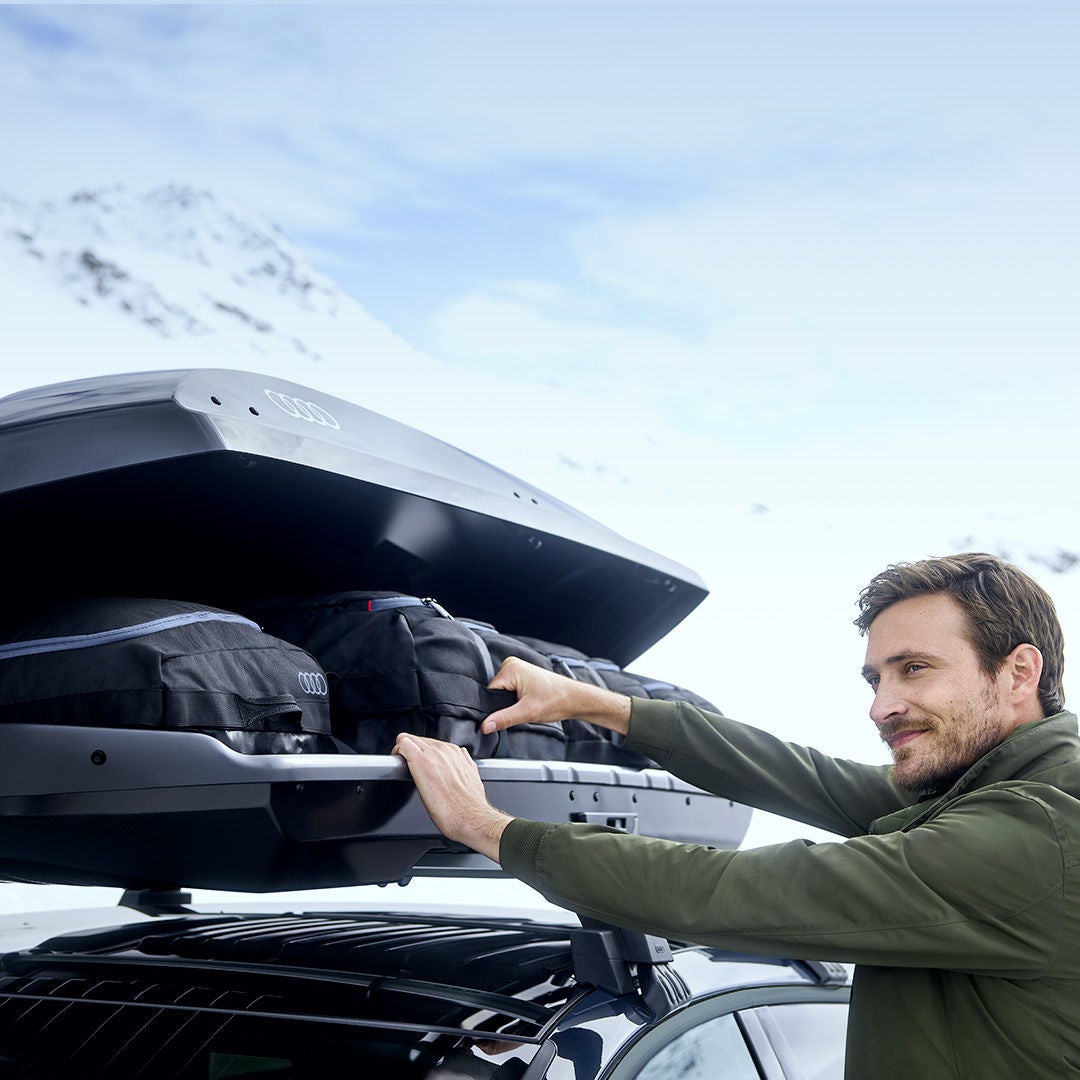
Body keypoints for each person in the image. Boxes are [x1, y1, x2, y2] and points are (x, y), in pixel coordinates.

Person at [393, 553, 1080, 1079]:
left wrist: (488, 828)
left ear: (1018, 672)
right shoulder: (994, 790)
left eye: (914, 670)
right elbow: (809, 778)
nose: (880, 706)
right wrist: (595, 705)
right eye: (876, 679)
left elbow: (725, 891)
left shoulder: (1038, 839)